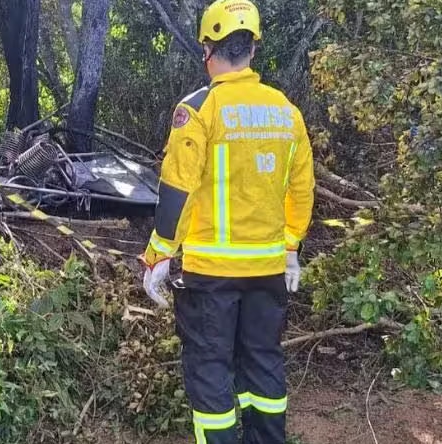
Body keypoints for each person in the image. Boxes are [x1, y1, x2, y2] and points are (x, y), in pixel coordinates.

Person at [139, 1, 316, 443]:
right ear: (253, 48)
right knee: (263, 362)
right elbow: (301, 190)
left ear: (207, 49)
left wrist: (159, 254)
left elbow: (178, 188)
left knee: (210, 369)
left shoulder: (200, 109)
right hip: (268, 270)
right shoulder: (286, 111)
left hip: (211, 275)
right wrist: (290, 247)